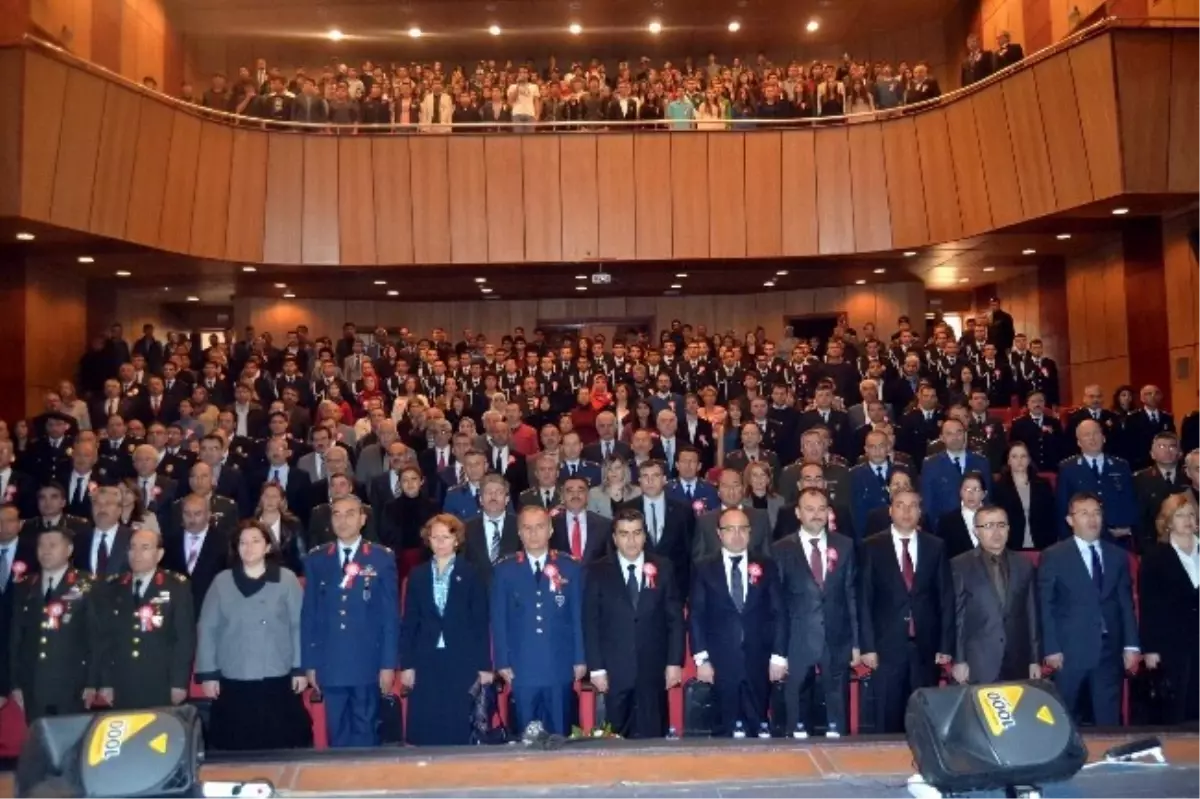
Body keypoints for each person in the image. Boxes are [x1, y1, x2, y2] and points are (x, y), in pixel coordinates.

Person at [197, 522, 311, 750]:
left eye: (256, 541)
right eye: (243, 542)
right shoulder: (222, 581)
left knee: (281, 743)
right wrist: (208, 674)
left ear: (268, 546)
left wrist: (300, 669)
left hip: (276, 674)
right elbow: (207, 628)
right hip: (234, 675)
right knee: (235, 745)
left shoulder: (286, 579)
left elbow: (299, 626)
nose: (249, 547)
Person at [301, 495, 400, 747]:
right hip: (331, 661)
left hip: (367, 661)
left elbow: (389, 616)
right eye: (336, 514)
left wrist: (388, 664)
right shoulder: (317, 559)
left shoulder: (380, 558)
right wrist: (310, 663)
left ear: (363, 519)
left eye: (350, 514)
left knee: (366, 730)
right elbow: (310, 614)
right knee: (337, 731)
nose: (342, 520)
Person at [1038, 492, 1140, 726]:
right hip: (1069, 650)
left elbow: (1125, 602)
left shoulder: (1117, 556)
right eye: (1084, 513)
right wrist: (1051, 648)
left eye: (1097, 513)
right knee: (1064, 715)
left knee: (1109, 716)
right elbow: (1046, 604)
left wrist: (1131, 644)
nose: (1092, 519)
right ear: (1070, 520)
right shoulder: (1054, 556)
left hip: (1109, 649)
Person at [858, 489, 954, 733]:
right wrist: (867, 646)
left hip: (925, 647)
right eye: (900, 505)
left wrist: (945, 645)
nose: (907, 511)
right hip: (886, 647)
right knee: (887, 717)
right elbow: (864, 599)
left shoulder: (936, 546)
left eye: (913, 506)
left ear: (920, 512)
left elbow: (945, 598)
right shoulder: (871, 546)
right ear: (890, 511)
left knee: (923, 717)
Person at [584, 508, 685, 739]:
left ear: (644, 535)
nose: (631, 540)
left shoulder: (664, 567)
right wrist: (596, 668)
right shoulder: (597, 571)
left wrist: (674, 662)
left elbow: (675, 618)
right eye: (624, 533)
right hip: (614, 671)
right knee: (617, 737)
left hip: (653, 668)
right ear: (614, 538)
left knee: (654, 735)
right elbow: (591, 622)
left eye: (637, 533)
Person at [490, 505, 586, 736]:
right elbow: (499, 619)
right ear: (519, 533)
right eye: (527, 528)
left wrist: (580, 658)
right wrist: (502, 661)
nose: (533, 534)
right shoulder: (505, 570)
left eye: (540, 527)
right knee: (525, 734)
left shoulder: (569, 567)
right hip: (522, 666)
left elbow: (577, 616)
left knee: (560, 733)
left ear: (550, 530)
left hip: (559, 663)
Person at [400, 514, 492, 745]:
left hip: (461, 656)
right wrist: (407, 664)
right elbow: (410, 620)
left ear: (456, 540)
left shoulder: (471, 573)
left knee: (458, 719)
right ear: (428, 540)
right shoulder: (417, 575)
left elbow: (480, 622)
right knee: (428, 718)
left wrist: (484, 666)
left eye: (446, 536)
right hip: (426, 655)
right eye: (435, 537)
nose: (440, 542)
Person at [773, 489, 859, 737]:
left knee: (838, 712)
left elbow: (850, 594)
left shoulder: (845, 545)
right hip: (796, 641)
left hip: (836, 639)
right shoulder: (781, 549)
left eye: (822, 509)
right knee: (795, 714)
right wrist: (778, 651)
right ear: (798, 513)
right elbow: (777, 603)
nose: (817, 515)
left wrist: (856, 643)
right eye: (810, 509)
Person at [8, 526, 103, 722]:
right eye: (41, 545)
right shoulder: (26, 585)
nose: (45, 550)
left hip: (72, 682)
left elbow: (95, 637)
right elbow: (16, 637)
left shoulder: (85, 584)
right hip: (33, 681)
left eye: (52, 545)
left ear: (68, 550)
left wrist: (92, 682)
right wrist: (15, 682)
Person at [99, 528, 194, 710]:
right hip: (122, 680)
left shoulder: (176, 587)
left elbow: (184, 639)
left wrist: (179, 682)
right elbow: (105, 638)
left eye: (145, 547)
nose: (137, 554)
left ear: (159, 554)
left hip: (160, 680)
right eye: (132, 547)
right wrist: (106, 681)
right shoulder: (115, 587)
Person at [950, 506, 1041, 685]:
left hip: (1018, 660)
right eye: (989, 526)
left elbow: (1032, 615)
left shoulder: (1024, 565)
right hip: (978, 661)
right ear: (976, 531)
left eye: (1001, 525)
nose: (996, 532)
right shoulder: (960, 565)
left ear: (1008, 528)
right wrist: (959, 660)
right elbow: (958, 617)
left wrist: (1034, 659)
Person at [1139, 493, 1200, 723]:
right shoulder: (1155, 557)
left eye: (1191, 514)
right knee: (1177, 711)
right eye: (1180, 515)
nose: (1187, 519)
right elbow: (1149, 605)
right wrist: (1150, 649)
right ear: (1167, 521)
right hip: (1172, 645)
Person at [1056, 420, 1137, 544]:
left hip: (1117, 538)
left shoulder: (1121, 466)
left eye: (1096, 433)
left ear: (1103, 438)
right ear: (1078, 442)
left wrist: (1128, 528)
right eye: (1086, 435)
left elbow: (1130, 499)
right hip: (1082, 538)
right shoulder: (1067, 468)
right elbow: (1062, 507)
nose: (1092, 438)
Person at [620, 460, 694, 595]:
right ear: (639, 481)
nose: (650, 481)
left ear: (665, 479)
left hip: (675, 586)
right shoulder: (626, 509)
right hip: (637, 585)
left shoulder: (683, 510)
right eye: (645, 476)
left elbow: (690, 551)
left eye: (655, 476)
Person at [921, 419, 991, 534]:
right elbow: (928, 504)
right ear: (942, 437)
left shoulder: (982, 462)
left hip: (977, 530)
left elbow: (987, 498)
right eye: (949, 433)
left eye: (959, 432)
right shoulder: (930, 465)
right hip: (944, 531)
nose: (955, 437)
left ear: (965, 434)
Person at [693, 468, 772, 561]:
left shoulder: (760, 517)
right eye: (725, 486)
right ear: (718, 491)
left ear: (743, 489)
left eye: (736, 485)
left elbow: (768, 555)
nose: (731, 490)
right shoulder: (705, 521)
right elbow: (698, 560)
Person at [990, 442, 1057, 551]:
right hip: (1011, 547)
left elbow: (1051, 516)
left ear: (1029, 460)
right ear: (1008, 461)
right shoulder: (999, 488)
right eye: (1014, 457)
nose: (1019, 460)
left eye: (1023, 456)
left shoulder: (1043, 485)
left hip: (1042, 545)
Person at [1133, 432, 1188, 551]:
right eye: (1162, 446)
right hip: (1152, 544)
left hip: (1186, 542)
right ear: (1152, 454)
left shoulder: (1189, 477)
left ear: (1180, 453)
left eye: (1172, 446)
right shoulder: (1139, 479)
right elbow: (1139, 518)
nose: (1167, 450)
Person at [550, 476, 612, 563]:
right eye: (569, 491)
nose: (575, 495)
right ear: (562, 496)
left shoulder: (604, 525)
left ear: (587, 495)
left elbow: (609, 561)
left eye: (581, 490)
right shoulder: (551, 524)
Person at [936, 470, 988, 560]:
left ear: (984, 494)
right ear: (960, 492)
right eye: (966, 489)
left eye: (976, 489)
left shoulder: (994, 517)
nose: (970, 494)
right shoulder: (947, 522)